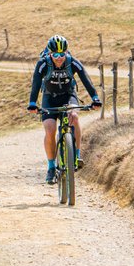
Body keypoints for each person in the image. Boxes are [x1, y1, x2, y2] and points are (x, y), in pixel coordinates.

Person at [27, 35, 101, 184]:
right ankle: (51, 167)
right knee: (50, 128)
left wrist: (95, 98)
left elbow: (85, 78)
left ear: (66, 52)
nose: (59, 58)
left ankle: (77, 155)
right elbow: (35, 82)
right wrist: (33, 103)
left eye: (62, 54)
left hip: (68, 96)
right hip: (50, 97)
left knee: (74, 116)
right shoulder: (43, 63)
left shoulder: (72, 62)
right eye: (55, 55)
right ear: (49, 54)